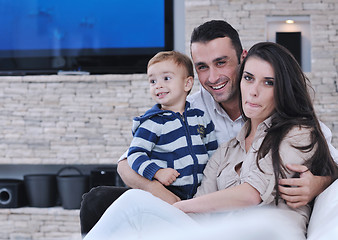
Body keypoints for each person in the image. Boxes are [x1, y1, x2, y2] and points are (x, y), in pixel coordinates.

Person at [80, 20, 338, 235]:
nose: (213, 78)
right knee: (101, 199)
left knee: (134, 206)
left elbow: (325, 160)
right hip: (207, 217)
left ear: (242, 58)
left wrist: (319, 182)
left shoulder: (295, 131)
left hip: (261, 229)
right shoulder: (202, 124)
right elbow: (128, 162)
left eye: (221, 63)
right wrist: (166, 200)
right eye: (202, 67)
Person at [127, 51, 218, 200]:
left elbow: (213, 154)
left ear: (187, 83)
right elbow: (135, 154)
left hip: (200, 193)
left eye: (166, 78)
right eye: (153, 81)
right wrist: (156, 172)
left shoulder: (200, 117)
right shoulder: (152, 123)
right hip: (167, 193)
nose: (158, 86)